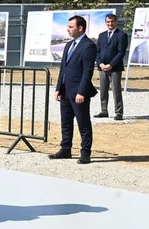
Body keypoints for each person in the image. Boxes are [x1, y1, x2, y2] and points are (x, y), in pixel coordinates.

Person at [50, 15, 98, 165]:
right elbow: (63, 68)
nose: (67, 29)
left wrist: (82, 92)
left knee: (83, 123)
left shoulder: (88, 46)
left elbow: (87, 71)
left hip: (78, 92)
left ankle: (85, 153)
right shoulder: (68, 45)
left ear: (80, 28)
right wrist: (58, 88)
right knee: (65, 122)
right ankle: (65, 149)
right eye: (68, 26)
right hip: (65, 91)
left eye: (71, 27)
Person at [95, 13, 128, 120]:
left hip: (114, 68)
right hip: (102, 68)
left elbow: (121, 52)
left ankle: (119, 112)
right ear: (105, 23)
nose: (110, 23)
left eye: (112, 21)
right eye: (108, 22)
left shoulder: (121, 35)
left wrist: (111, 65)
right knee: (103, 90)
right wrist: (100, 63)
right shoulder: (102, 35)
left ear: (116, 22)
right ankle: (104, 110)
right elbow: (97, 51)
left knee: (116, 90)